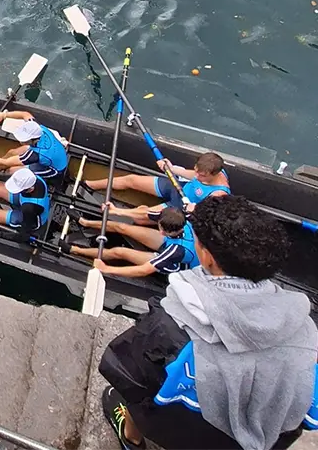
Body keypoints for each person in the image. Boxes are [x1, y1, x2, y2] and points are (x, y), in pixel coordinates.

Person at [98, 195, 318, 450]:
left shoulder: (170, 325)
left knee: (134, 389)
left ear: (207, 257)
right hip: (242, 444)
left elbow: (125, 372)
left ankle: (132, 439)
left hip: (174, 427)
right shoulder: (305, 335)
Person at [86, 152, 230, 221]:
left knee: (140, 218)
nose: (197, 176)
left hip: (179, 207)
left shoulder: (219, 194)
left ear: (214, 174)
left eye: (202, 175)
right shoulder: (206, 169)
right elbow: (192, 174)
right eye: (197, 171)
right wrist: (172, 168)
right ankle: (87, 184)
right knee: (131, 180)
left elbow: (205, 215)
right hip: (178, 187)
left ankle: (115, 211)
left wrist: (194, 209)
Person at [62, 207, 199, 277]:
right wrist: (117, 211)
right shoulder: (176, 216)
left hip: (176, 264)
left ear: (174, 230)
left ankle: (74, 249)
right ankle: (85, 222)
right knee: (122, 227)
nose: (160, 232)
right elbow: (145, 214)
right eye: (160, 228)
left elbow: (143, 270)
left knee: (119, 252)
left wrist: (107, 269)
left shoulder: (176, 251)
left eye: (164, 231)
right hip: (173, 240)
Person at [0, 110, 68, 178]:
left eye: (23, 140)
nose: (20, 141)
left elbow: (4, 162)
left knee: (11, 170)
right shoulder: (37, 128)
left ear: (32, 140)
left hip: (54, 169)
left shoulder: (35, 155)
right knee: (12, 152)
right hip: (53, 153)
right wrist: (4, 115)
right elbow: (24, 114)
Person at [0, 167, 51, 242]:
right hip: (24, 200)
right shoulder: (36, 179)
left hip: (29, 219)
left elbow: (23, 237)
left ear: (29, 189)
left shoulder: (29, 208)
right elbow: (16, 179)